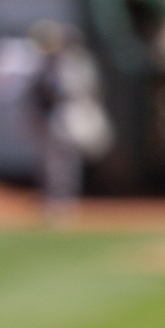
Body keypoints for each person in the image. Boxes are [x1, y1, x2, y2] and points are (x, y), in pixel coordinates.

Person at [25, 20, 110, 222]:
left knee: (66, 162)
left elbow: (72, 90)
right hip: (56, 115)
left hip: (71, 112)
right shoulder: (50, 61)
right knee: (52, 163)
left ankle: (63, 203)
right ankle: (54, 202)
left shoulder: (77, 61)